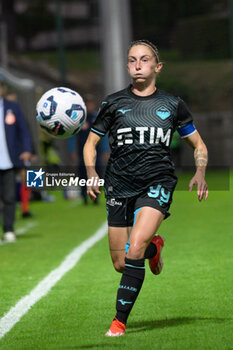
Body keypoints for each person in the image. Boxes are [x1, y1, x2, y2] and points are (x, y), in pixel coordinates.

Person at [83, 40, 208, 337]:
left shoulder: (172, 104)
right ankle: (155, 248)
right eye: (132, 60)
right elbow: (91, 143)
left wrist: (201, 170)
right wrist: (90, 171)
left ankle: (119, 322)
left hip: (157, 182)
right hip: (118, 184)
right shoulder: (112, 103)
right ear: (127, 66)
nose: (138, 65)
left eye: (145, 59)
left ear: (157, 66)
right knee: (121, 262)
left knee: (134, 247)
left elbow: (198, 144)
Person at [0, 79, 32, 242]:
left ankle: (8, 229)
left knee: (9, 197)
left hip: (8, 160)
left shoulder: (13, 107)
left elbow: (24, 130)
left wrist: (26, 149)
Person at [69, 94, 109, 204]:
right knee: (83, 174)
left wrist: (106, 150)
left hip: (97, 151)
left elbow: (104, 135)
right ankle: (84, 196)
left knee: (97, 173)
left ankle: (96, 195)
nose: (89, 106)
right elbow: (72, 135)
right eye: (87, 104)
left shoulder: (97, 118)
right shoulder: (79, 118)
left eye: (91, 104)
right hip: (82, 151)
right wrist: (72, 151)